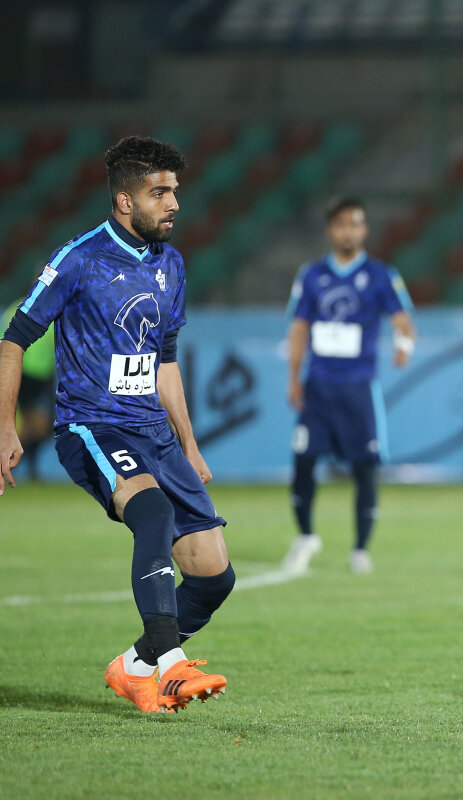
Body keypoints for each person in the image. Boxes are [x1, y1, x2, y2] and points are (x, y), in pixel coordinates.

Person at [0, 136, 233, 713]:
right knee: (152, 514)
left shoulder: (171, 264)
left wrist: (189, 443)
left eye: (175, 191)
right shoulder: (78, 259)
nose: (174, 203)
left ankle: (134, 665)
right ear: (125, 201)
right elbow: (14, 340)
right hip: (93, 426)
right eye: (160, 193)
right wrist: (5, 426)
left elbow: (164, 361)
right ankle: (171, 665)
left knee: (213, 575)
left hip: (154, 431)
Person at [282, 196, 416, 575]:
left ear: (365, 230)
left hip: (358, 388)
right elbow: (298, 328)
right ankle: (306, 536)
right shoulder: (311, 275)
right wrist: (294, 378)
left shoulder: (380, 275)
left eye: (355, 224)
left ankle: (360, 549)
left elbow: (403, 321)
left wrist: (404, 345)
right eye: (342, 224)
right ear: (331, 230)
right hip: (319, 387)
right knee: (303, 461)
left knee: (365, 467)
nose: (349, 232)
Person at [1, 300, 54, 480]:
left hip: (24, 372)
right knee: (34, 423)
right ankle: (19, 465)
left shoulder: (13, 307)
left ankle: (22, 465)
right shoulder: (48, 307)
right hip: (31, 373)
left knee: (30, 423)